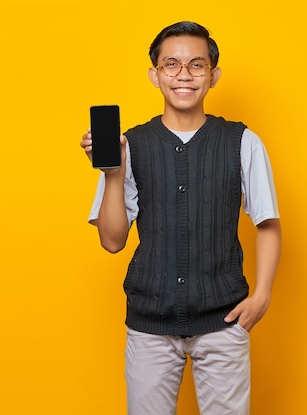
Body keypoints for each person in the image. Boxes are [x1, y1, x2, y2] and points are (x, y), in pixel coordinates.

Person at [80, 21, 281, 415]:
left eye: (197, 65)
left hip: (224, 323)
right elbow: (112, 240)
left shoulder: (242, 141)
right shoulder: (131, 145)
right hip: (149, 327)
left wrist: (262, 296)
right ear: (154, 75)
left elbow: (268, 222)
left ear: (213, 75)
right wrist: (113, 173)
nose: (184, 75)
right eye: (171, 64)